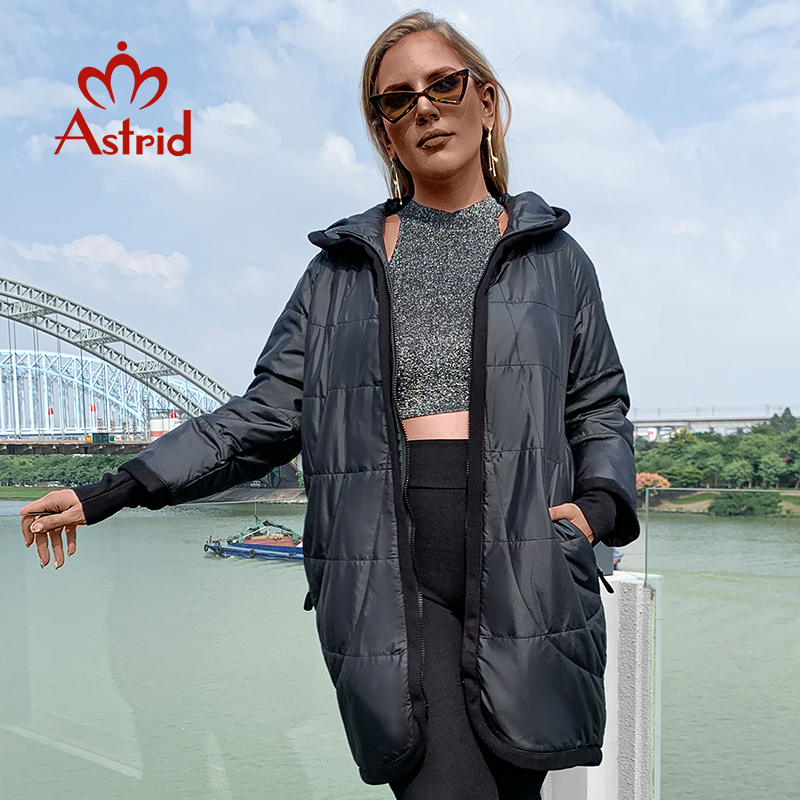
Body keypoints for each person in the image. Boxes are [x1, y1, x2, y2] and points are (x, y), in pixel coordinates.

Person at [19, 11, 640, 800]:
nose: (424, 107)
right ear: (385, 133)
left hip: (531, 567)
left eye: (444, 85)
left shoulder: (557, 260)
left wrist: (598, 507)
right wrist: (114, 489)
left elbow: (597, 406)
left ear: (487, 101)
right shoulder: (339, 273)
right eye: (397, 99)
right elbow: (261, 417)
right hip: (388, 572)